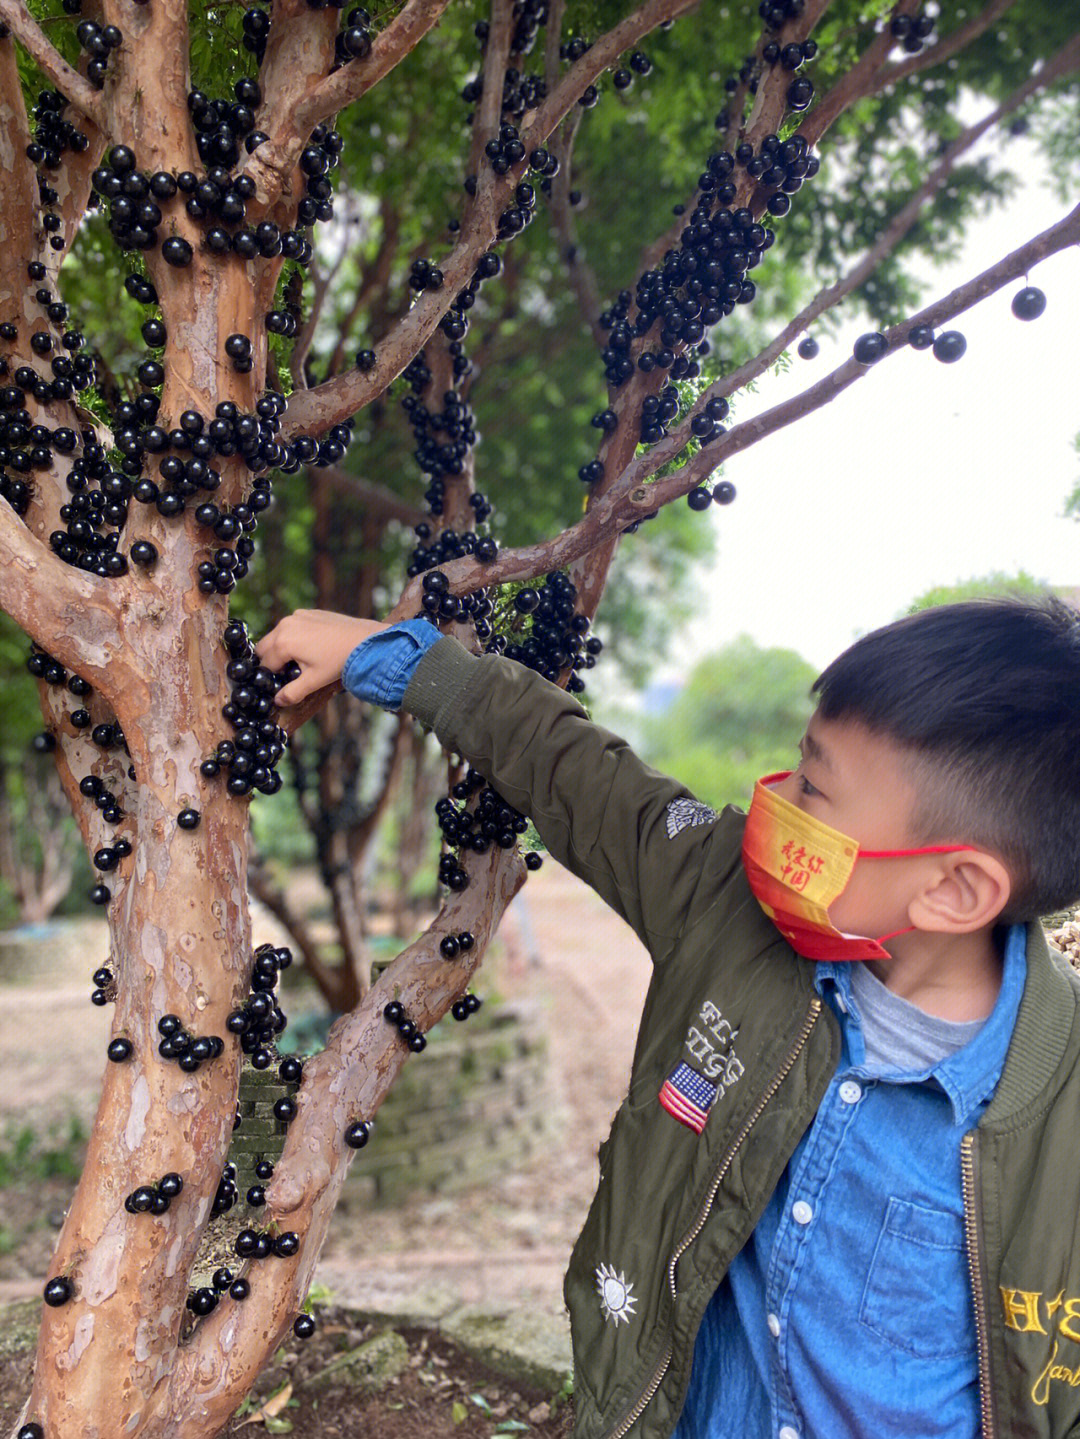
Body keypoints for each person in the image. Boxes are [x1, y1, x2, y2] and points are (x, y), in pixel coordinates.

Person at [254, 595, 1080, 1439]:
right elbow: (578, 772)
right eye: (797, 765)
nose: (775, 803)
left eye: (815, 791)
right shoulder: (724, 904)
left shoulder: (1064, 1113)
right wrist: (401, 662)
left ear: (955, 889)